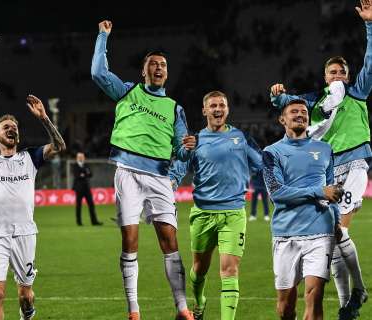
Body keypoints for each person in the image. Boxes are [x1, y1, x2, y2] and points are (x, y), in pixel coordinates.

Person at [269, 2, 372, 317]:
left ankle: (356, 294)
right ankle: (349, 303)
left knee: (339, 228)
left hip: (354, 164)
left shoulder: (356, 94)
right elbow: (290, 103)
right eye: (333, 72)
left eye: (342, 72)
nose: (338, 75)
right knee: (334, 235)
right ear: (325, 77)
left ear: (348, 76)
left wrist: (369, 25)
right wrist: (277, 96)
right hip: (328, 171)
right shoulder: (317, 104)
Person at [91, 20, 193, 320]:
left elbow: (184, 150)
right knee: (130, 239)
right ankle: (134, 311)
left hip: (160, 177)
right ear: (143, 71)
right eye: (153, 64)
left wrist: (176, 174)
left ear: (167, 73)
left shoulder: (174, 108)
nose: (159, 68)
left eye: (163, 65)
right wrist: (103, 37)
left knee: (169, 241)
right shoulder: (126, 92)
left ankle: (182, 308)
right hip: (127, 172)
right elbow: (98, 73)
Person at [0, 84, 66, 320]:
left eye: (14, 127)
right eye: (5, 127)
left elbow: (59, 146)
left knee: (25, 295)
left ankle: (27, 312)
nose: (11, 129)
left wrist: (45, 118)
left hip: (25, 233)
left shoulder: (30, 158)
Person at [172, 91, 263, 320]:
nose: (218, 109)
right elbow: (181, 163)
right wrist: (178, 164)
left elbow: (262, 162)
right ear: (205, 111)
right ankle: (200, 301)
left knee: (229, 270)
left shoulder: (241, 138)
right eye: (213, 105)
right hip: (203, 213)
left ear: (228, 109)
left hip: (233, 212)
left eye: (222, 105)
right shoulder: (196, 140)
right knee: (199, 269)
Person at [263, 99, 343, 320]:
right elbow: (277, 193)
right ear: (282, 119)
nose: (300, 115)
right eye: (294, 111)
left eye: (304, 112)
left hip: (320, 232)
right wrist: (318, 191)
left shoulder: (325, 149)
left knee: (314, 298)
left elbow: (332, 190)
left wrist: (336, 222)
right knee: (285, 307)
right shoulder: (272, 152)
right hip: (285, 234)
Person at [72, 152, 102, 226]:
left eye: (82, 157)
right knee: (78, 205)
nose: (81, 158)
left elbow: (91, 174)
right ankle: (79, 222)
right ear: (77, 158)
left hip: (87, 188)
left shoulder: (86, 165)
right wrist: (85, 173)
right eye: (80, 157)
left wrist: (83, 174)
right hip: (79, 189)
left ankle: (94, 221)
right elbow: (77, 175)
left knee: (91, 204)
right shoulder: (75, 166)